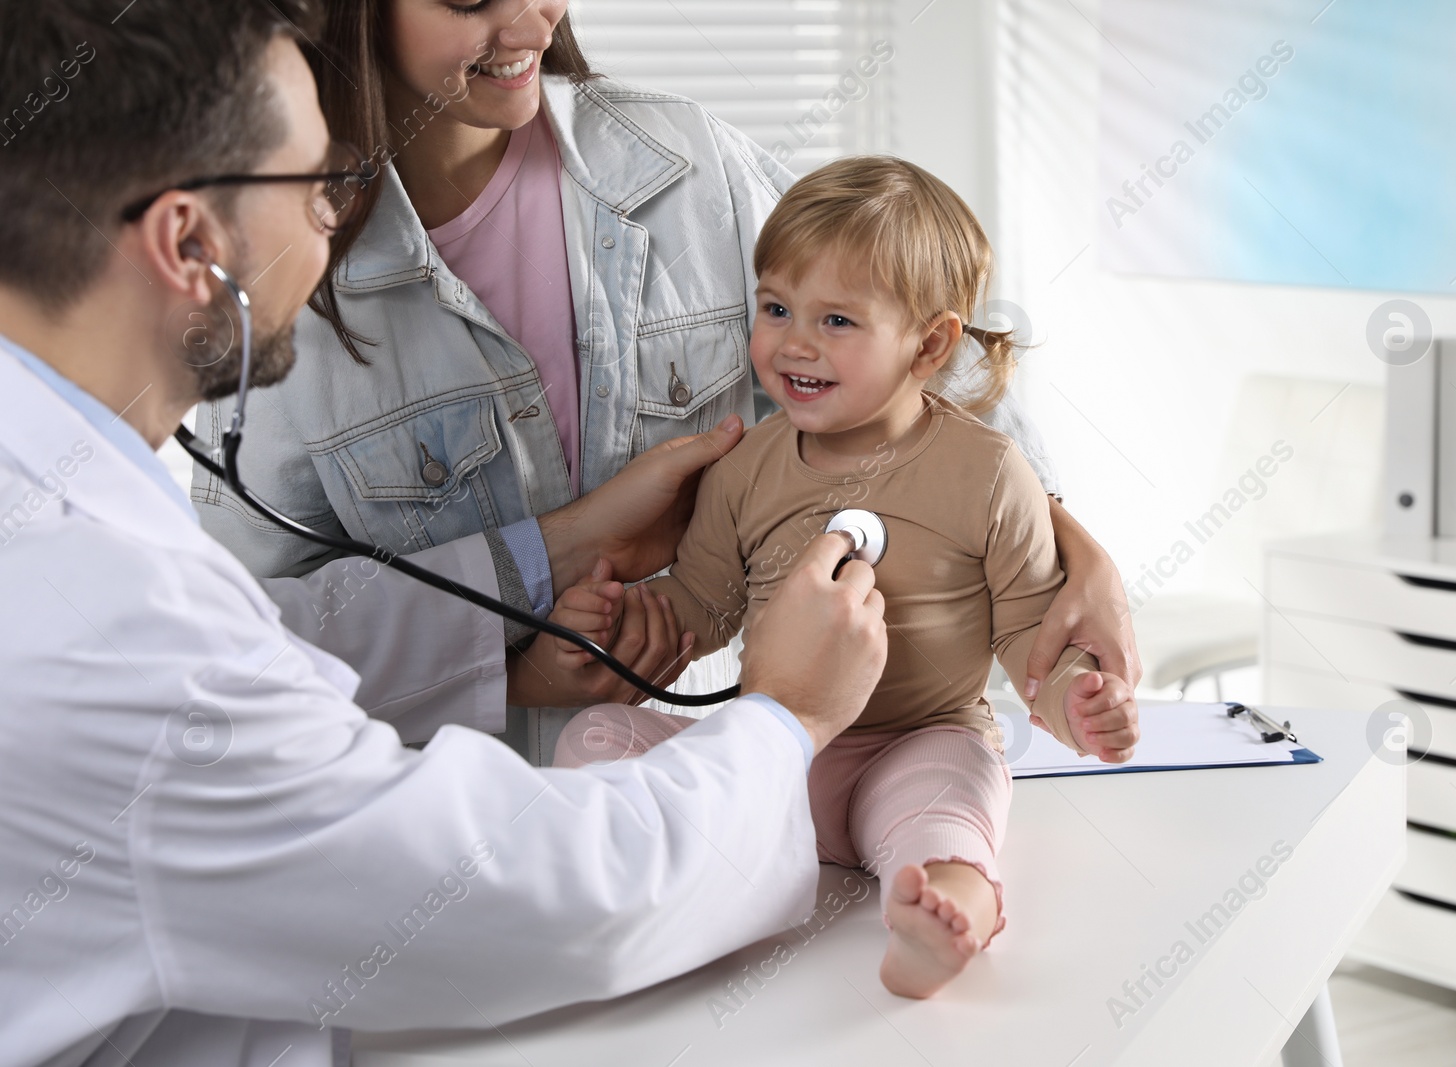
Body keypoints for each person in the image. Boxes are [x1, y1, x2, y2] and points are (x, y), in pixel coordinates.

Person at [0, 4, 886, 1064]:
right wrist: (785, 717)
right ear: (191, 243)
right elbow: (536, 897)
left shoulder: (63, 535)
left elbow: (271, 638)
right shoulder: (123, 647)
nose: (343, 212)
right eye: (314, 180)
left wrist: (546, 548)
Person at [191, 0, 1143, 766]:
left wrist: (1069, 541)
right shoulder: (281, 276)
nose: (532, 26)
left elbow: (941, 360)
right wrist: (522, 659)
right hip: (444, 841)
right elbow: (253, 640)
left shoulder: (688, 172)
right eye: (471, 0)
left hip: (724, 798)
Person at [551, 157, 1141, 998]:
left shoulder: (986, 471)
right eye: (776, 308)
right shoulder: (748, 467)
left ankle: (943, 913)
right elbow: (704, 606)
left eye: (836, 320)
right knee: (597, 741)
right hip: (778, 751)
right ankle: (629, 896)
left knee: (949, 805)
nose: (794, 342)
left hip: (914, 743)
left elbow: (1027, 632)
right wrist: (626, 623)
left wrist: (1079, 702)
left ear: (930, 343)